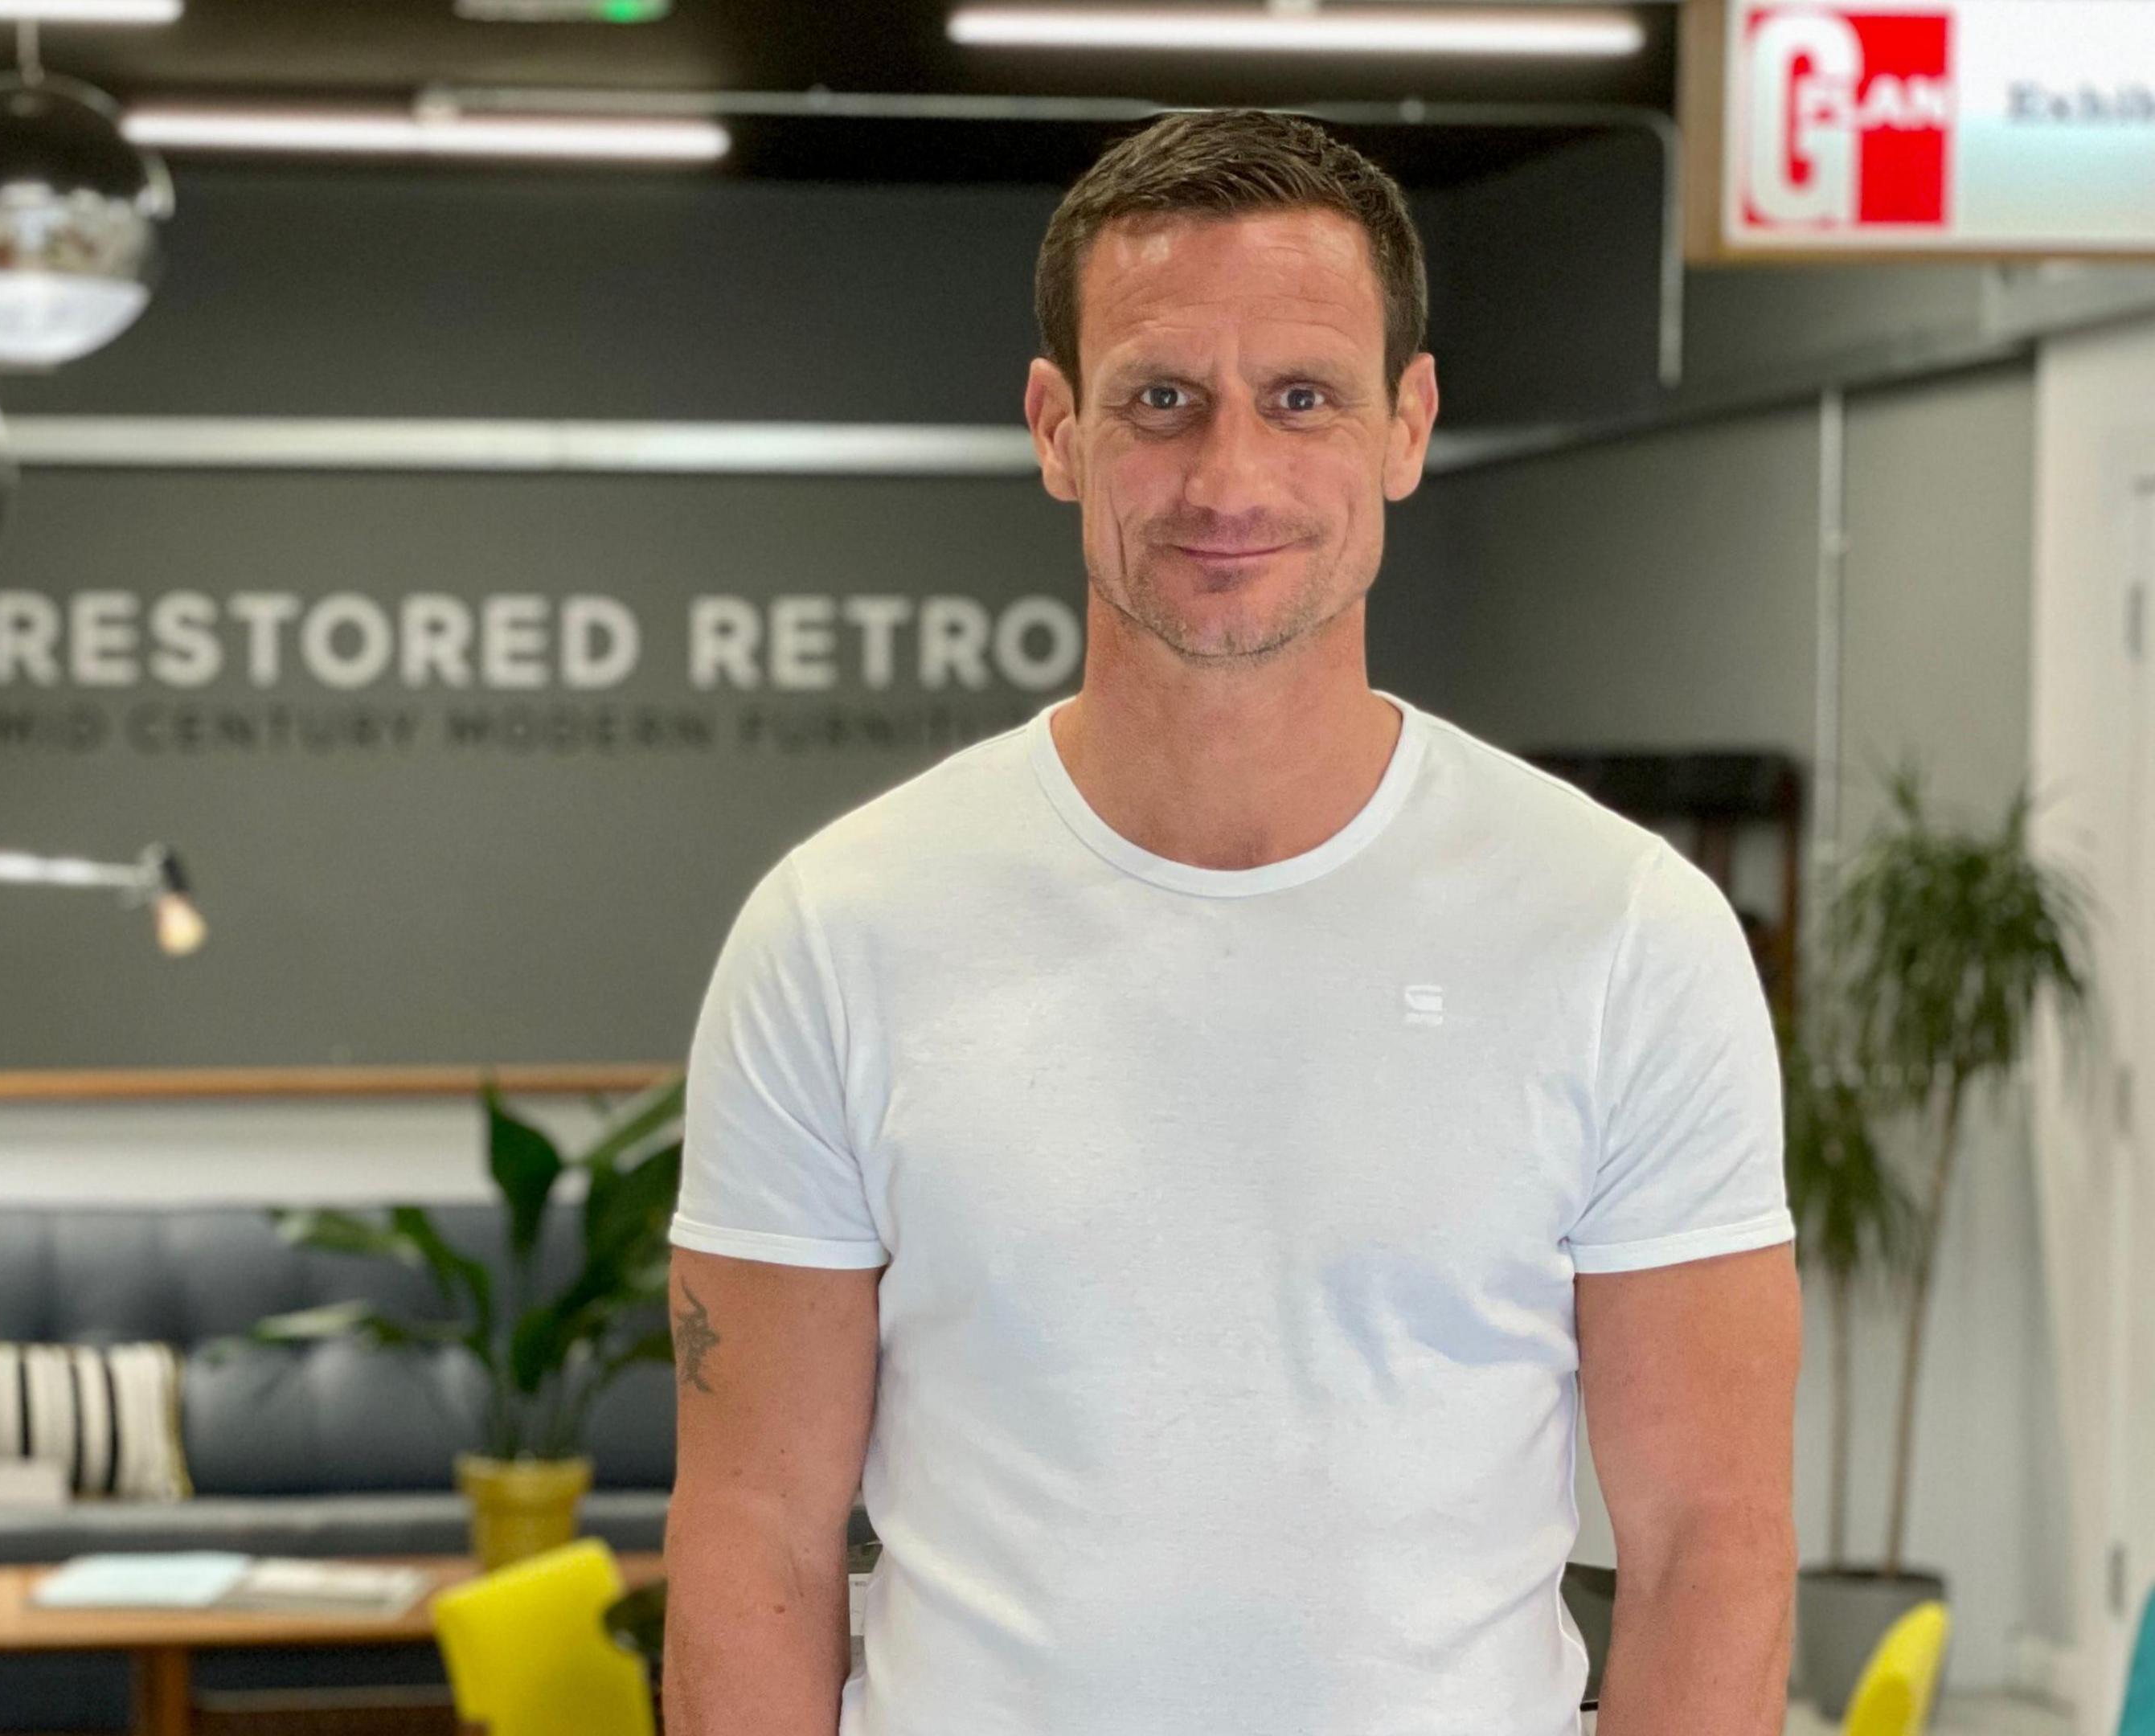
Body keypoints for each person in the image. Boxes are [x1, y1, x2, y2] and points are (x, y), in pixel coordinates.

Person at [661, 109, 1799, 1736]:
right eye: (1161, 402)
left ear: (1408, 425)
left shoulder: (1623, 933)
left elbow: (1714, 1548)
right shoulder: (836, 934)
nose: (1230, 477)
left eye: (1303, 398)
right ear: (1058, 428)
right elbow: (749, 1540)